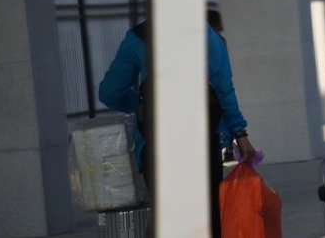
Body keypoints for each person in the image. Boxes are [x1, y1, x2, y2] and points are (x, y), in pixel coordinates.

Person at [98, 18, 256, 236]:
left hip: (155, 143)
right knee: (208, 220)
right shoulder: (203, 32)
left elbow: (109, 93)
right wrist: (240, 134)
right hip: (201, 143)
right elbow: (223, 87)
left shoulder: (138, 37)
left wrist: (140, 105)